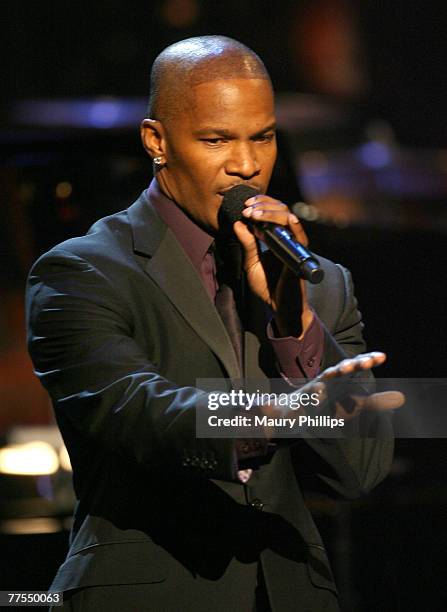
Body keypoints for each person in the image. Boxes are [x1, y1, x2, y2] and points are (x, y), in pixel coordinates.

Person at [26, 36, 403, 612]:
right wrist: (291, 410)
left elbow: (360, 472)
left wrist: (294, 320)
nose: (247, 165)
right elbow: (144, 411)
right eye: (217, 139)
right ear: (157, 141)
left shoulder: (316, 281)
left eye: (264, 137)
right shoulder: (83, 271)